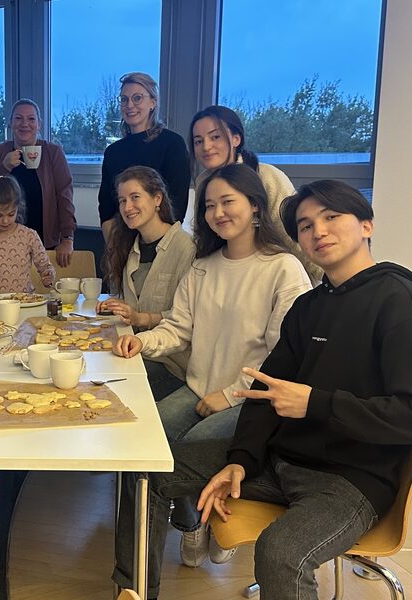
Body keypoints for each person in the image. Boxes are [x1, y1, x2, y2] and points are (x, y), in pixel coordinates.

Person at [111, 180, 412, 600]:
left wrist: (316, 404)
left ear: (367, 225)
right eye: (306, 225)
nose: (318, 231)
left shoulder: (401, 304)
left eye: (331, 217)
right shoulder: (310, 306)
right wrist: (241, 459)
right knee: (149, 469)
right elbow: (264, 391)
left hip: (351, 479)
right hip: (280, 460)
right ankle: (134, 591)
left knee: (280, 551)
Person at [112, 163, 310, 569]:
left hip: (249, 400)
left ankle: (206, 518)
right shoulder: (204, 266)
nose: (218, 213)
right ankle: (143, 569)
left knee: (183, 454)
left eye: (228, 202)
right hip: (199, 386)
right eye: (209, 206)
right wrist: (140, 341)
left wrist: (231, 393)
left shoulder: (283, 268)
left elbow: (284, 355)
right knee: (142, 447)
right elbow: (178, 329)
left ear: (255, 206)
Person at [189, 105, 321, 283]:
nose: (206, 146)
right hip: (226, 276)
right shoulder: (202, 182)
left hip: (273, 277)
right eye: (198, 141)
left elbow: (294, 237)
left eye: (215, 137)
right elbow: (204, 237)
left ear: (236, 139)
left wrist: (327, 282)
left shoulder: (267, 176)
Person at [95, 166, 196, 399]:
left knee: (105, 391)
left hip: (169, 363)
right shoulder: (130, 246)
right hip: (134, 350)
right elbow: (136, 302)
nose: (127, 207)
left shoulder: (188, 250)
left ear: (157, 198)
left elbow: (187, 320)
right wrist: (116, 304)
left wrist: (142, 319)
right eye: (122, 201)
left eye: (135, 197)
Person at [0, 98, 76, 266]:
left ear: (39, 124)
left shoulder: (53, 153)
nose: (25, 124)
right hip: (4, 246)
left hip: (46, 244)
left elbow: (64, 196)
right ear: (10, 123)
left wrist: (67, 238)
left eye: (31, 119)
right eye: (18, 118)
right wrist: (3, 167)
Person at [98, 72, 191, 239]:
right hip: (120, 242)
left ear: (153, 103)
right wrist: (115, 250)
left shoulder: (172, 144)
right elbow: (106, 208)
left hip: (160, 243)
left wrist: (153, 247)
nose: (130, 105)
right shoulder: (113, 152)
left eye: (137, 98)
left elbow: (176, 207)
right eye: (124, 99)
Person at [0, 176, 55, 294]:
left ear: (18, 208)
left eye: (11, 214)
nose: (5, 221)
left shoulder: (29, 236)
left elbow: (45, 267)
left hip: (22, 303)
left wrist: (48, 276)